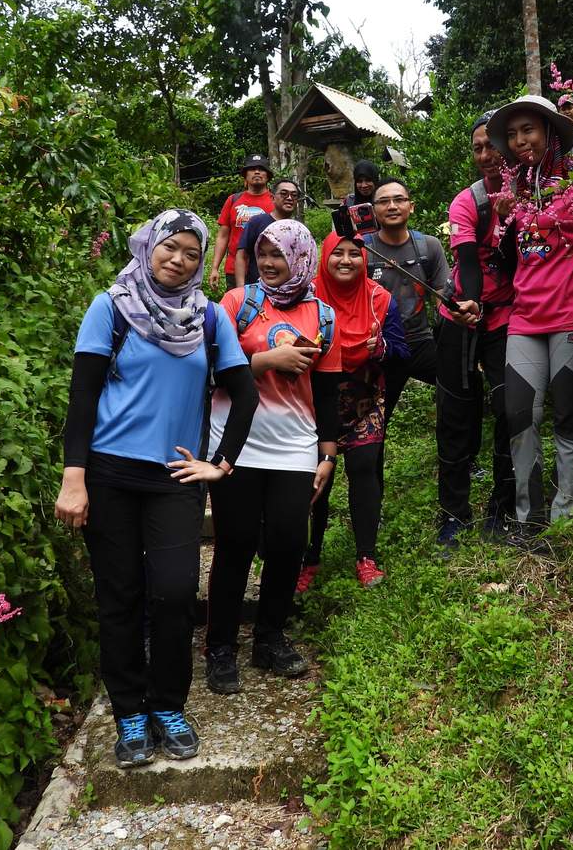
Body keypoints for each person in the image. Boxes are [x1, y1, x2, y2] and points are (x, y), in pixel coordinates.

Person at [55, 209, 259, 769]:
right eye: (171, 247)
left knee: (172, 595)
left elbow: (244, 393)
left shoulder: (210, 319)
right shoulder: (111, 306)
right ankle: (128, 713)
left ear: (202, 264)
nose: (179, 259)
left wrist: (222, 464)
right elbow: (83, 397)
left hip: (175, 478)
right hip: (110, 473)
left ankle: (168, 705)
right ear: (148, 248)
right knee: (119, 596)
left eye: (193, 253)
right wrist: (75, 475)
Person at [179, 220, 341, 696]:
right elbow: (210, 367)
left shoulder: (324, 315)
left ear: (301, 257)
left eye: (279, 255)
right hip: (237, 442)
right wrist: (266, 362)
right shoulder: (237, 303)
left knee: (290, 543)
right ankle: (221, 646)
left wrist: (328, 454)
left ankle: (269, 636)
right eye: (262, 253)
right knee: (235, 543)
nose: (270, 263)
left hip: (295, 443)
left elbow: (329, 392)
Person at [486, 94, 573, 542]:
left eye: (530, 130)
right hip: (526, 318)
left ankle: (567, 521)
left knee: (569, 420)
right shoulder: (515, 190)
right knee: (520, 416)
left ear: (550, 132)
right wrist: (504, 220)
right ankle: (528, 520)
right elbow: (510, 257)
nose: (521, 141)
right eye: (514, 134)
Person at [298, 232, 410, 593]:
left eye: (354, 254)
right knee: (316, 480)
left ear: (366, 261)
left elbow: (403, 354)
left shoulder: (381, 300)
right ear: (324, 258)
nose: (346, 261)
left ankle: (366, 556)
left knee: (364, 472)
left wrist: (383, 348)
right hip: (315, 402)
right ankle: (308, 558)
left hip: (364, 401)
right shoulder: (306, 297)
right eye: (338, 254)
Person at [435, 111, 517, 547]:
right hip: (461, 316)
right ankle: (453, 514)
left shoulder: (537, 194)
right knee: (454, 415)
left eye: (492, 145)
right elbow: (467, 264)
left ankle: (501, 509)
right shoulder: (467, 202)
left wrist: (509, 223)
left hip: (508, 318)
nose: (485, 155)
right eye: (478, 147)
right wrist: (469, 303)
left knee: (508, 410)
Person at [364, 176, 449, 428]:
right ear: (373, 209)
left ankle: (459, 460)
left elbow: (442, 293)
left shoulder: (428, 246)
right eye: (384, 201)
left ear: (410, 206)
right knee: (373, 423)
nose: (392, 206)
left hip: (421, 342)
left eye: (399, 200)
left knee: (462, 384)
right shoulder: (363, 250)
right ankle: (369, 467)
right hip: (380, 347)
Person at [209, 154, 274, 291]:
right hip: (234, 268)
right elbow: (222, 236)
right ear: (245, 176)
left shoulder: (276, 201)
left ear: (268, 176)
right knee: (237, 308)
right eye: (252, 169)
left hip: (266, 269)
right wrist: (215, 268)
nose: (257, 172)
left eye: (261, 169)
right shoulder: (233, 200)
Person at [235, 178, 299, 286]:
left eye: (294, 195)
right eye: (284, 194)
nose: (289, 198)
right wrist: (241, 289)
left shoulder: (298, 229)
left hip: (288, 291)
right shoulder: (257, 222)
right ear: (273, 198)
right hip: (258, 289)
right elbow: (241, 255)